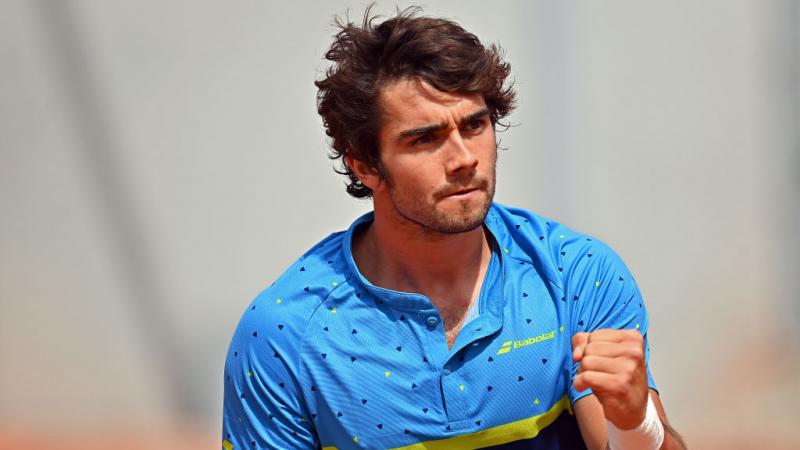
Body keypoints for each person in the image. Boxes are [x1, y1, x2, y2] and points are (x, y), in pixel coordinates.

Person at [222, 7, 686, 450]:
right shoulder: (284, 334)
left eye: (475, 125)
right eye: (425, 138)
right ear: (365, 166)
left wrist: (634, 423)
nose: (464, 158)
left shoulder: (576, 276)